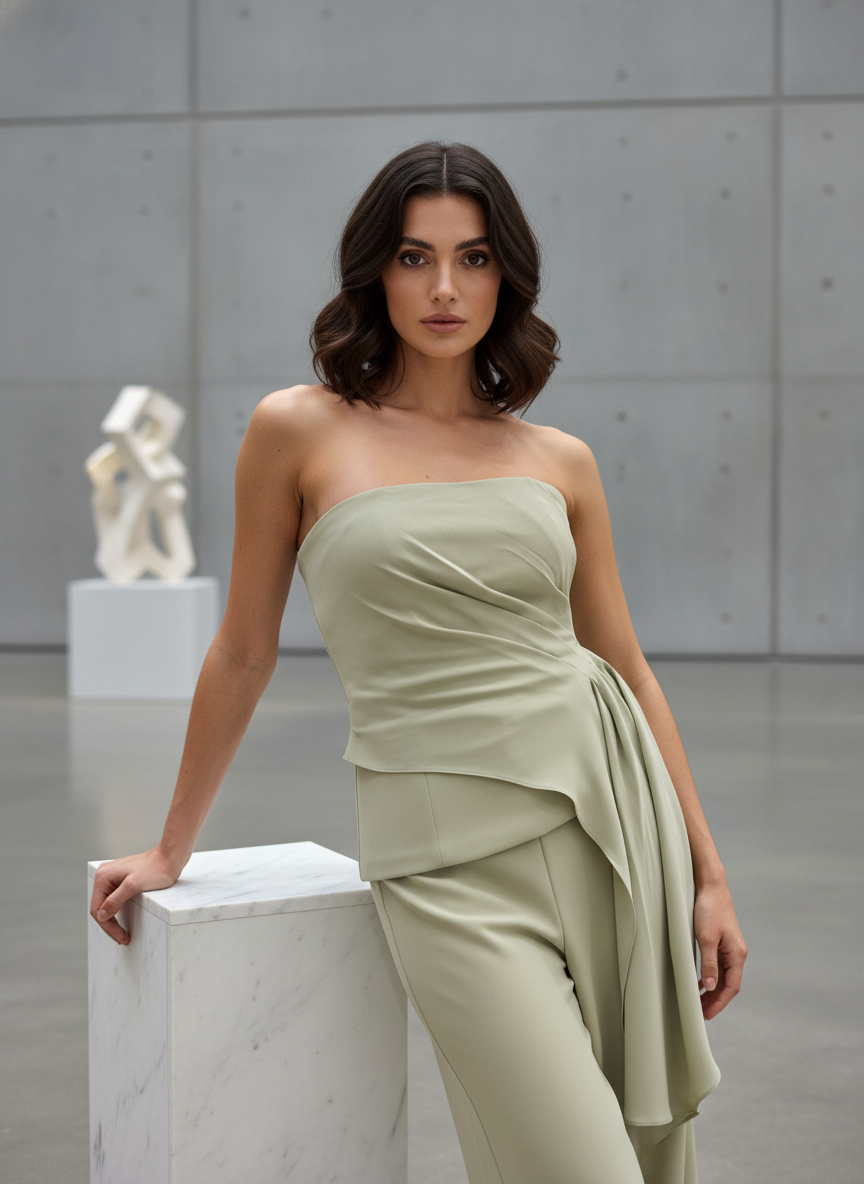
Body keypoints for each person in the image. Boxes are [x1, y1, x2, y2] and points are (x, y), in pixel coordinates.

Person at [90, 141, 747, 1184]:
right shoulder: (297, 429)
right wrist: (174, 847)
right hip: (444, 860)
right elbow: (244, 650)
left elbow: (627, 667)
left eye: (474, 258)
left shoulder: (558, 459)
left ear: (507, 276)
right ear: (374, 271)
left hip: (612, 826)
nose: (445, 287)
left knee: (643, 1148)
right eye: (414, 255)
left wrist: (709, 873)